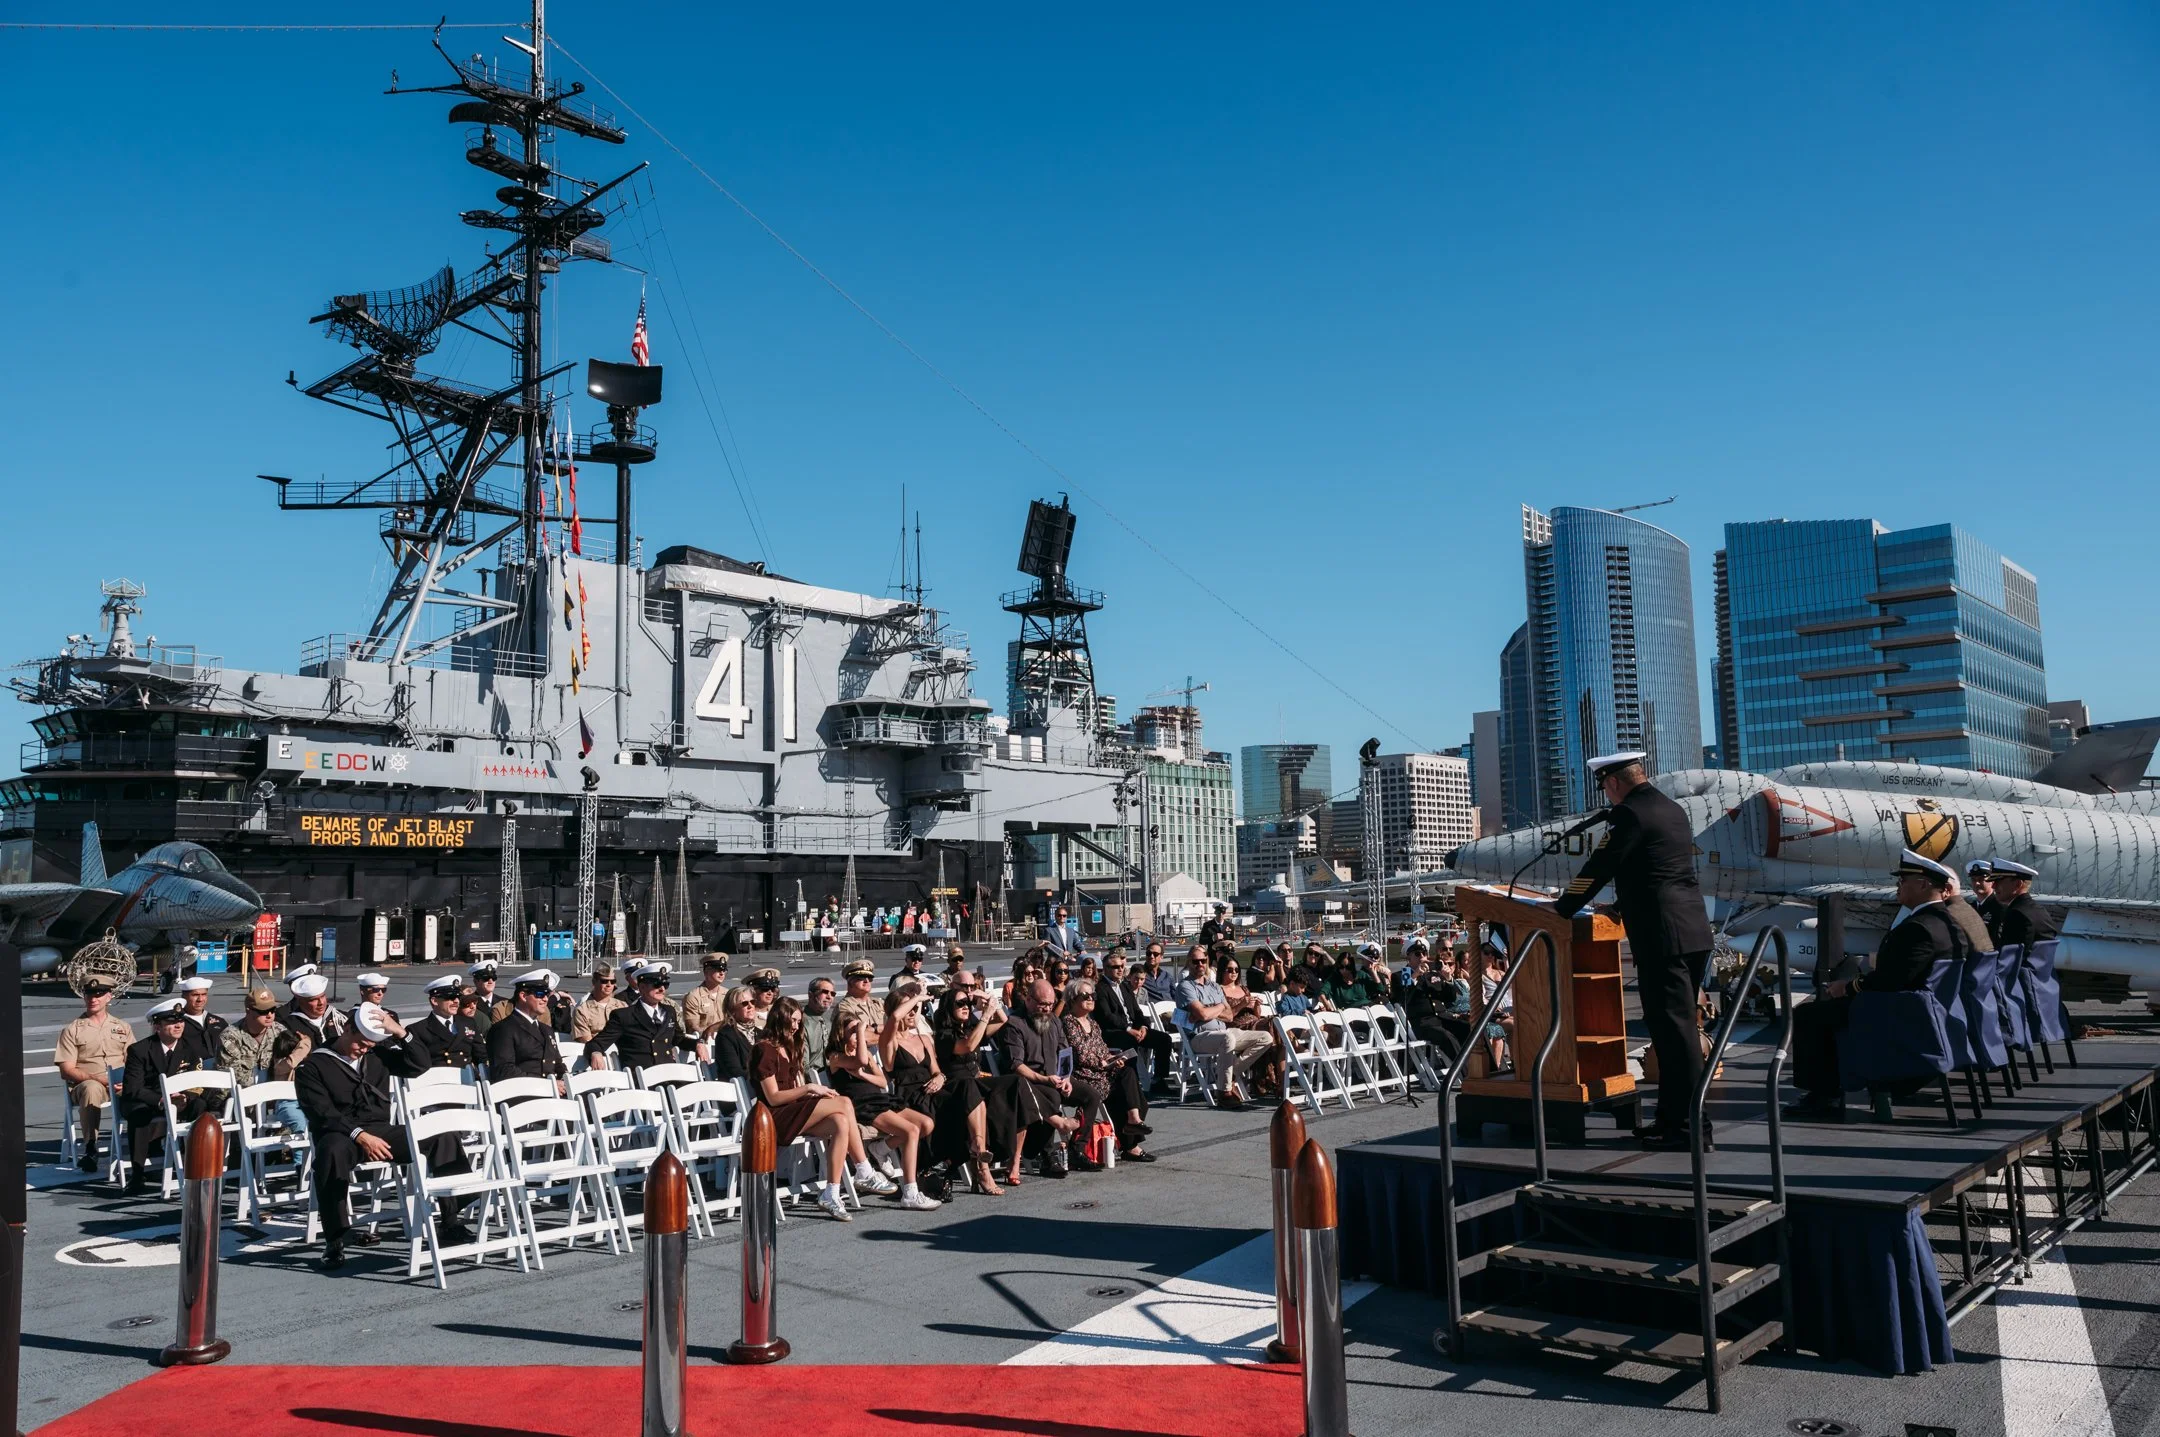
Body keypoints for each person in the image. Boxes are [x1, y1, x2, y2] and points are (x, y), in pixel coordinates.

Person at [1552, 751, 1717, 1151]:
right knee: (1672, 1032)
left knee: (1676, 1036)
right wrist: (1621, 908)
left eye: (1606, 789)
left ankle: (1693, 1129)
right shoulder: (1672, 810)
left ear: (1612, 783)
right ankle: (1669, 1121)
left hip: (1664, 938)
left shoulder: (1629, 814)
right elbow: (1660, 869)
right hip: (1691, 931)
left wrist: (1560, 909)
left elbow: (1600, 866)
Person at [1786, 850, 1968, 1122]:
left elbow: (1892, 980)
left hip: (1901, 1012)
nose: (1898, 886)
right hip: (1928, 1011)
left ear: (1922, 885)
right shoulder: (1948, 924)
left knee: (1810, 1015)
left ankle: (1822, 1095)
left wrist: (1847, 987)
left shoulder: (1919, 927)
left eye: (1903, 880)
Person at [297, 1003, 472, 1269]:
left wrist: (400, 1032)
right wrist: (360, 1136)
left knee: (443, 1135)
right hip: (341, 1133)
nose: (364, 1049)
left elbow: (420, 1065)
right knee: (330, 1153)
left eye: (369, 1045)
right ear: (347, 1029)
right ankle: (335, 1238)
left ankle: (450, 1220)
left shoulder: (377, 1054)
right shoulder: (313, 1065)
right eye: (361, 1043)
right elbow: (322, 1114)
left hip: (380, 1129)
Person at [753, 997, 894, 1221]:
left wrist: (810, 1092)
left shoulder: (789, 1047)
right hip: (772, 1117)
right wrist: (809, 1088)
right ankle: (864, 1169)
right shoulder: (764, 1049)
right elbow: (773, 1097)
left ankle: (831, 1192)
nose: (796, 1026)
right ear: (779, 1019)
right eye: (792, 1021)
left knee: (841, 1121)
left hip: (794, 1111)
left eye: (799, 1022)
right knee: (845, 1102)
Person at [929, 973, 1016, 1193]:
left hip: (973, 1082)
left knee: (1012, 1083)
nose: (967, 1006)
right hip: (953, 1086)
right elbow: (967, 1046)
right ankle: (981, 1161)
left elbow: (1003, 1020)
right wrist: (984, 1015)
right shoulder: (944, 1035)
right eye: (961, 1003)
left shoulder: (971, 1028)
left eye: (968, 1003)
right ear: (949, 1007)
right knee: (971, 1086)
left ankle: (1013, 1155)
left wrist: (987, 999)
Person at [119, 1000, 210, 1193]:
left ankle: (191, 1163)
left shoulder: (189, 1048)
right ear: (157, 1026)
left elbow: (196, 1079)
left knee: (200, 1105)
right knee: (139, 1113)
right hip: (148, 1100)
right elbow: (134, 1088)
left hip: (178, 1100)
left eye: (180, 1021)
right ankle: (137, 1173)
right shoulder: (139, 1050)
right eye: (171, 1022)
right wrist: (163, 1100)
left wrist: (186, 1096)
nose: (178, 1026)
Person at [997, 978, 1084, 1178]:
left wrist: (1067, 1078)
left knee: (1090, 1095)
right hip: (1028, 1080)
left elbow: (1065, 1052)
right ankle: (1047, 1156)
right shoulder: (1015, 1024)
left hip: (1055, 1078)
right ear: (1028, 1000)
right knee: (1052, 1097)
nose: (1046, 1009)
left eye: (1050, 1004)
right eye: (1042, 1004)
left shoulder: (1054, 1020)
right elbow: (1016, 1065)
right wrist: (1046, 1079)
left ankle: (1077, 1149)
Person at [1060, 980, 1153, 1162]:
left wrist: (1112, 1060)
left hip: (1101, 1072)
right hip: (1084, 1076)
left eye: (1092, 995)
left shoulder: (1093, 1024)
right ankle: (1131, 1143)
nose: (1091, 998)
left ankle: (1133, 1122)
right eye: (1085, 996)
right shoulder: (1069, 1023)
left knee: (1128, 1075)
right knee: (1123, 1094)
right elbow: (1081, 1054)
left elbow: (1103, 1050)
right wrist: (1103, 1063)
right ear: (1072, 999)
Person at [1175, 948, 1274, 1108]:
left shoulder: (1213, 986)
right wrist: (1218, 1007)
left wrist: (1210, 1008)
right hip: (1199, 1036)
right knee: (1227, 1039)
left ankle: (1229, 1073)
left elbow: (1229, 1016)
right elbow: (1203, 1015)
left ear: (1207, 962)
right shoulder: (1185, 987)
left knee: (1266, 1037)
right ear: (1189, 963)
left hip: (1223, 1031)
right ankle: (1224, 1092)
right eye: (1195, 961)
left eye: (1203, 961)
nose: (1200, 964)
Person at [53, 980, 134, 1173]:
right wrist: (100, 1079)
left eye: (99, 994)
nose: (93, 999)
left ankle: (150, 1146)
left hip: (120, 1083)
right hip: (86, 1084)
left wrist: (129, 1082)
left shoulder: (122, 1027)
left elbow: (134, 1060)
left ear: (109, 996)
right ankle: (91, 1148)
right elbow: (67, 1069)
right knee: (91, 1089)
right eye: (89, 994)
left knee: (147, 1089)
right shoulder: (73, 1030)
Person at [585, 963, 700, 1072]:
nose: (662, 989)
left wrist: (698, 1044)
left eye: (665, 984)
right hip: (642, 1079)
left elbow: (678, 1039)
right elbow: (595, 1044)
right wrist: (595, 1053)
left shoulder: (669, 1011)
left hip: (668, 1074)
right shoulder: (624, 1016)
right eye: (656, 984)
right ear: (642, 987)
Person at [1095, 951, 1175, 1097]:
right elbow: (1107, 1016)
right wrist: (1129, 1029)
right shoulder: (1100, 989)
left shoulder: (1125, 987)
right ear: (1105, 969)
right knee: (1130, 1042)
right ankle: (1132, 1084)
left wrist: (1143, 1026)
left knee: (1164, 1039)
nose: (1120, 969)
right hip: (1114, 1032)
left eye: (1121, 966)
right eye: (1115, 967)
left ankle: (1159, 1080)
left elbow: (1137, 1012)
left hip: (1134, 1029)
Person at [485, 970, 570, 1090]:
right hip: (523, 1096)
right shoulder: (503, 1029)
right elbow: (505, 1071)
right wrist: (547, 1085)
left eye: (547, 994)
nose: (545, 999)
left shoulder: (546, 1030)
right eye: (540, 994)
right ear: (523, 996)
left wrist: (564, 1080)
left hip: (553, 1093)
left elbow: (558, 1064)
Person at [273, 972, 345, 1084]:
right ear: (301, 1001)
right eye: (314, 999)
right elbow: (281, 1065)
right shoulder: (289, 1027)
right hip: (307, 1083)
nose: (321, 1003)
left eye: (323, 996)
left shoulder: (338, 1018)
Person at [406, 974, 483, 1071]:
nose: (456, 1001)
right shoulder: (417, 1030)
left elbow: (481, 1055)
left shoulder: (468, 1023)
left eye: (458, 997)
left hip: (467, 1079)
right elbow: (417, 1065)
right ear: (434, 1001)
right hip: (439, 1081)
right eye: (450, 997)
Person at [1986, 858, 2058, 953]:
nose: (1993, 886)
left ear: (2017, 884)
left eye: (1998, 881)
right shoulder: (2038, 910)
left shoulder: (2017, 915)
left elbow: (2009, 959)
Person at [709, 986, 761, 1081]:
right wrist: (764, 1079)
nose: (750, 1006)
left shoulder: (761, 1034)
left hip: (761, 1086)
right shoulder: (725, 1035)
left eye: (752, 1002)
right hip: (738, 1088)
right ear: (732, 1010)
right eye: (745, 1003)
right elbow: (734, 1071)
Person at [174, 976, 228, 1066]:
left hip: (219, 1072)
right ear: (184, 997)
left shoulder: (219, 1022)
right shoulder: (175, 1024)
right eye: (195, 995)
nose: (200, 999)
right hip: (190, 1073)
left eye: (204, 994)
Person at [680, 954, 732, 1039]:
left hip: (728, 1039)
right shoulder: (694, 997)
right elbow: (693, 1028)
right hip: (705, 1041)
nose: (722, 973)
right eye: (718, 969)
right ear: (706, 972)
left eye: (724, 970)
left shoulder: (728, 994)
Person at [571, 965, 625, 1042]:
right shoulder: (582, 1011)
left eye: (612, 982)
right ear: (594, 982)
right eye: (604, 981)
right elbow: (586, 1041)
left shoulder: (622, 1006)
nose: (609, 985)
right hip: (597, 1051)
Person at [801, 977, 839, 1068]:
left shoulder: (827, 1022)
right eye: (825, 992)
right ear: (811, 995)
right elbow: (803, 1065)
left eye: (832, 994)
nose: (829, 996)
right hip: (813, 1078)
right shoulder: (801, 1022)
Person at [466, 960, 500, 1038]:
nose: (490, 981)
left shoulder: (504, 1002)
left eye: (493, 977)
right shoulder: (467, 1004)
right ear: (475, 981)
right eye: (486, 978)